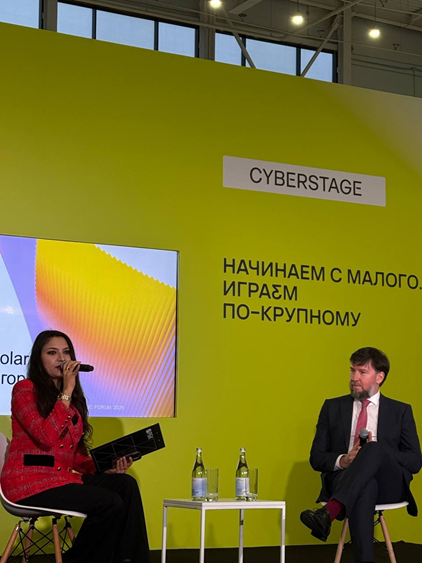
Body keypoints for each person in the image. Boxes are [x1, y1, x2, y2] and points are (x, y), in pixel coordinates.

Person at [0, 330, 150, 563]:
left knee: (125, 484)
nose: (61, 358)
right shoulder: (25, 390)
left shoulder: (72, 401)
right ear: (39, 359)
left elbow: (75, 458)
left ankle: (131, 559)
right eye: (52, 353)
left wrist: (106, 468)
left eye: (66, 352)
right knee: (109, 503)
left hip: (61, 480)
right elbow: (45, 436)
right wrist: (66, 392)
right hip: (28, 483)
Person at [300, 347, 422, 563]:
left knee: (372, 449)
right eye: (352, 370)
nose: (354, 377)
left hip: (389, 484)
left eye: (362, 372)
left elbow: (414, 461)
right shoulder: (332, 407)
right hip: (344, 479)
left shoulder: (401, 411)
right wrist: (344, 460)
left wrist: (378, 452)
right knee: (366, 486)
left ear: (379, 377)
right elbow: (316, 457)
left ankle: (330, 511)